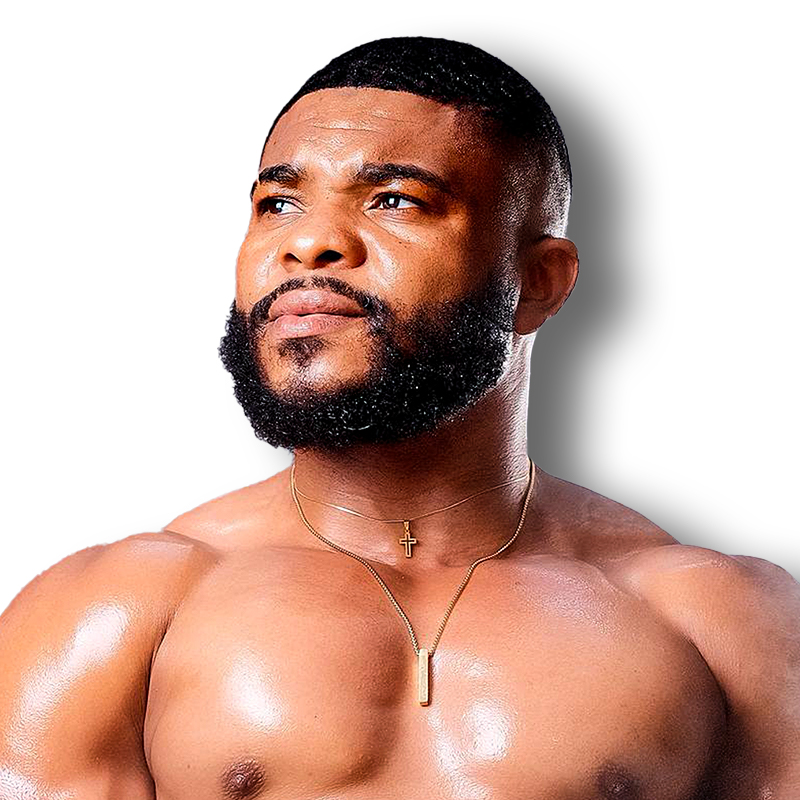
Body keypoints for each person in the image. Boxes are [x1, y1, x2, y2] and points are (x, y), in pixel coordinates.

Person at [1, 35, 798, 800]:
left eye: (395, 200)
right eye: (278, 203)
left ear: (540, 283)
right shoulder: (116, 614)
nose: (310, 241)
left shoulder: (716, 620)